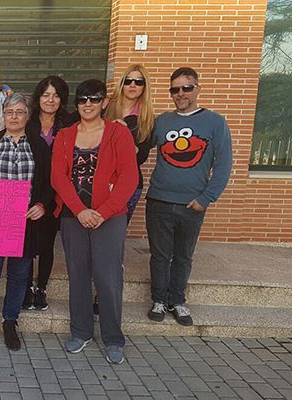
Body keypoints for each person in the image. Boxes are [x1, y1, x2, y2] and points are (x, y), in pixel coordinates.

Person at [50, 79, 138, 364]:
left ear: (104, 102)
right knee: (78, 275)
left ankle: (113, 338)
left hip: (108, 217)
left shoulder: (118, 133)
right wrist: (79, 211)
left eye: (94, 98)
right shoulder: (65, 135)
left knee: (108, 277)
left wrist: (104, 212)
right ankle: (81, 331)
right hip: (73, 216)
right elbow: (58, 177)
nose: (88, 104)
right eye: (82, 99)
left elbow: (129, 177)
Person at [146, 67, 233, 326]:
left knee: (183, 256)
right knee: (160, 256)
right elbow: (138, 145)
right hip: (159, 200)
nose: (180, 93)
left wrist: (207, 198)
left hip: (192, 204)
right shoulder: (162, 122)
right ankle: (159, 300)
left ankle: (177, 301)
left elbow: (224, 164)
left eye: (186, 87)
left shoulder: (215, 122)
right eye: (175, 89)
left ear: (197, 89)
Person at [0, 93, 52, 352]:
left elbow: (48, 182)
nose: (14, 116)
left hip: (25, 222)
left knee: (18, 275)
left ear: (27, 115)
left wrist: (42, 205)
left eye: (19, 112)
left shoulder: (38, 145)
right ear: (3, 115)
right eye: (9, 112)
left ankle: (10, 321)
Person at [22, 76, 72, 312]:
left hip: (55, 191)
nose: (50, 100)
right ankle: (25, 288)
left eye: (56, 95)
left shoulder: (69, 124)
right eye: (45, 95)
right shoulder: (28, 122)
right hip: (29, 189)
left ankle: (41, 287)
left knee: (47, 243)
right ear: (38, 97)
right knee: (26, 242)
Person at [104, 64, 155, 223]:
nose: (133, 85)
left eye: (139, 82)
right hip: (100, 179)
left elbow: (141, 157)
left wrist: (124, 136)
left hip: (129, 183)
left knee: (117, 231)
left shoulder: (146, 118)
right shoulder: (105, 106)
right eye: (128, 80)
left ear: (144, 86)